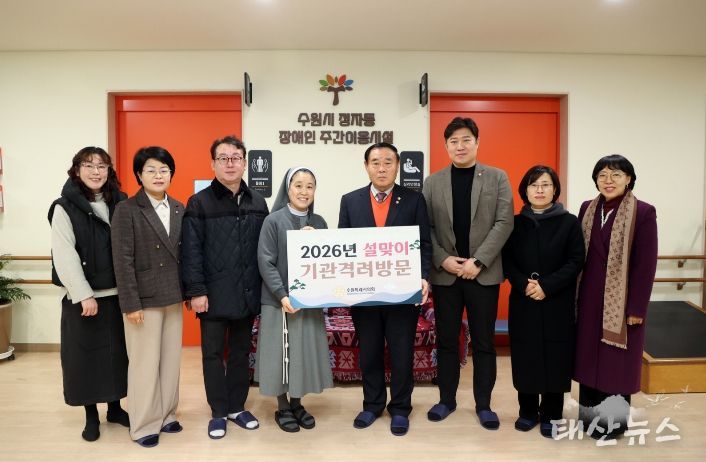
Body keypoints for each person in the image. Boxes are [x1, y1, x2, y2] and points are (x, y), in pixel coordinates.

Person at [422, 117, 513, 429]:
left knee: (484, 342)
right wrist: (442, 259)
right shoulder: (432, 182)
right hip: (446, 275)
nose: (459, 146)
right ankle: (446, 400)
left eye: (465, 140)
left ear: (477, 142)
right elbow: (426, 227)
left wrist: (479, 261)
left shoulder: (497, 177)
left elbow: (504, 222)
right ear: (446, 146)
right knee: (447, 340)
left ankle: (484, 404)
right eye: (453, 141)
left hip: (482, 275)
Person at [338, 142, 432, 436]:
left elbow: (424, 244)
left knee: (402, 353)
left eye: (388, 162)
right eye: (376, 162)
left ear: (398, 165)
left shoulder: (414, 200)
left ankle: (401, 408)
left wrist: (423, 277)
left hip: (402, 293)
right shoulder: (350, 201)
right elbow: (344, 248)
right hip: (364, 294)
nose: (382, 168)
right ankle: (372, 404)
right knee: (369, 352)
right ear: (366, 166)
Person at [181, 135, 268, 439]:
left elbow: (265, 248)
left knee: (242, 353)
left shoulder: (258, 201)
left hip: (247, 292)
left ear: (244, 163)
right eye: (223, 158)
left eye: (235, 158)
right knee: (213, 354)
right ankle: (218, 411)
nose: (230, 164)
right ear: (213, 164)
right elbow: (191, 250)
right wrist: (196, 290)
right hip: (213, 294)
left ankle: (236, 407)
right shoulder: (199, 202)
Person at [48, 146, 129, 441]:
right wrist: (83, 294)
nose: (96, 171)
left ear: (109, 171)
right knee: (85, 360)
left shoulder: (121, 201)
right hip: (85, 299)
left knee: (117, 357)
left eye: (102, 166)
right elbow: (64, 254)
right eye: (89, 165)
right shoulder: (64, 207)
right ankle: (91, 415)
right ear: (77, 170)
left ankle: (115, 409)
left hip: (119, 295)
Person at [574, 155, 657, 439]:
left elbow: (645, 265)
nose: (608, 181)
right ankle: (588, 419)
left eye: (616, 175)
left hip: (621, 303)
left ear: (629, 179)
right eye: (602, 175)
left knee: (615, 366)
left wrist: (637, 308)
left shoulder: (643, 212)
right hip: (588, 299)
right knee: (588, 362)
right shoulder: (587, 208)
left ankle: (613, 425)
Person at [501, 165, 584, 438]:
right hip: (523, 299)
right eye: (534, 185)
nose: (539, 190)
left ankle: (552, 414)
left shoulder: (569, 222)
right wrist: (524, 284)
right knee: (525, 355)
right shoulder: (514, 223)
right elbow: (506, 260)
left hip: (556, 301)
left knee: (556, 357)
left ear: (555, 189)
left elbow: (576, 260)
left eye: (546, 184)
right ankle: (527, 411)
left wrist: (547, 286)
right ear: (525, 190)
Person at [111, 146, 185, 448]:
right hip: (143, 300)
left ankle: (167, 414)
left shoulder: (179, 207)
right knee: (144, 363)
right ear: (139, 175)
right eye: (151, 170)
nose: (158, 175)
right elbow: (122, 261)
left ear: (171, 174)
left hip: (173, 295)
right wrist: (130, 303)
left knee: (170, 361)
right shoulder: (127, 209)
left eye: (164, 170)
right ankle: (143, 424)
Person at [255, 167, 333, 433]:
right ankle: (282, 406)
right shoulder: (273, 221)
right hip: (279, 301)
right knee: (280, 354)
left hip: (307, 303)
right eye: (298, 185)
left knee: (300, 354)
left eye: (309, 186)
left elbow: (328, 262)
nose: (304, 191)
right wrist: (282, 294)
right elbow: (265, 262)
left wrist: (318, 241)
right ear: (287, 189)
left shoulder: (320, 222)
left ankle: (297, 403)